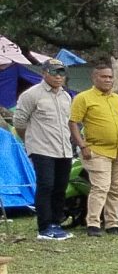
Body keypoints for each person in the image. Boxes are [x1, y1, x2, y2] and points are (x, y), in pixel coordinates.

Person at [12, 59, 77, 239]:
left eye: (62, 73)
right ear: (44, 73)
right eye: (54, 72)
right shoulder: (31, 95)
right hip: (41, 148)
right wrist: (30, 141)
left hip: (64, 148)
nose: (58, 76)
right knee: (46, 185)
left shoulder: (66, 96)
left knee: (60, 187)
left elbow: (69, 122)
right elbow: (19, 122)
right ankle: (44, 227)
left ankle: (56, 223)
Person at [70, 61, 118, 234]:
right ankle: (93, 223)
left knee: (116, 188)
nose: (108, 80)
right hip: (97, 150)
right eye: (104, 77)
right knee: (100, 187)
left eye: (110, 77)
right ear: (94, 77)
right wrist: (82, 145)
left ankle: (113, 223)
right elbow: (73, 122)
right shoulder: (83, 98)